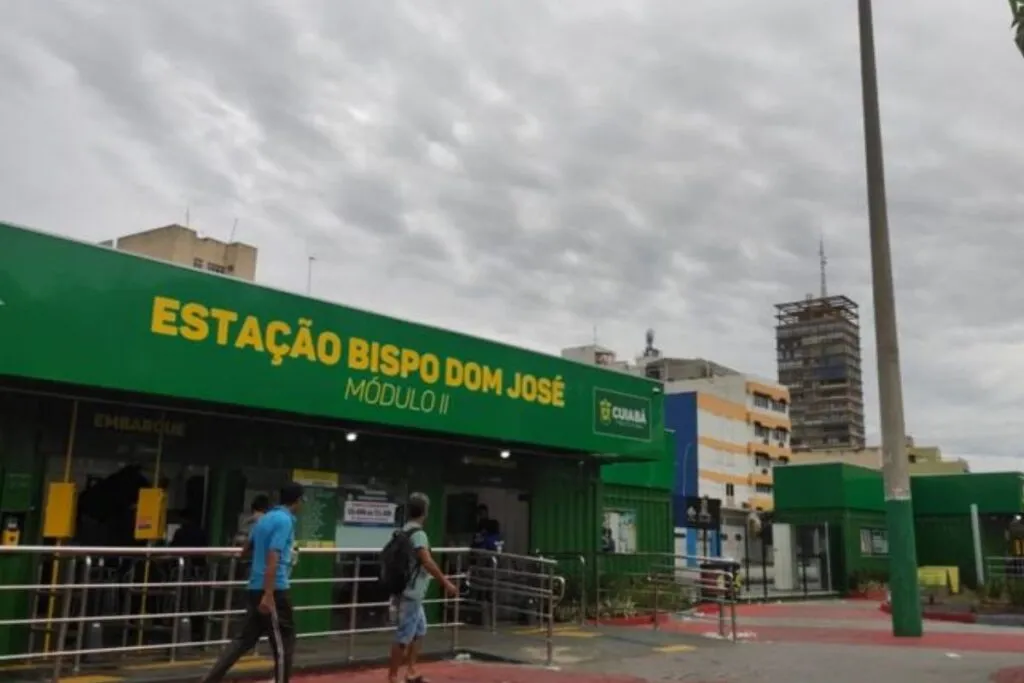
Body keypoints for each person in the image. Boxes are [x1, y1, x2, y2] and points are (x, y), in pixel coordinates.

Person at [199, 482, 303, 683]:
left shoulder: (263, 520)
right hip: (274, 588)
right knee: (284, 643)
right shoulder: (285, 521)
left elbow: (246, 550)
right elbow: (274, 554)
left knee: (243, 640)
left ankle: (210, 680)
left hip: (254, 586)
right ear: (297, 501)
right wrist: (269, 593)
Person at [387, 493, 457, 683]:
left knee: (419, 631)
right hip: (411, 592)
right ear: (424, 512)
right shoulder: (418, 534)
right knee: (404, 635)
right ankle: (393, 677)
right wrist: (446, 582)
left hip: (410, 591)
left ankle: (410, 670)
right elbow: (426, 561)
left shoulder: (403, 531)